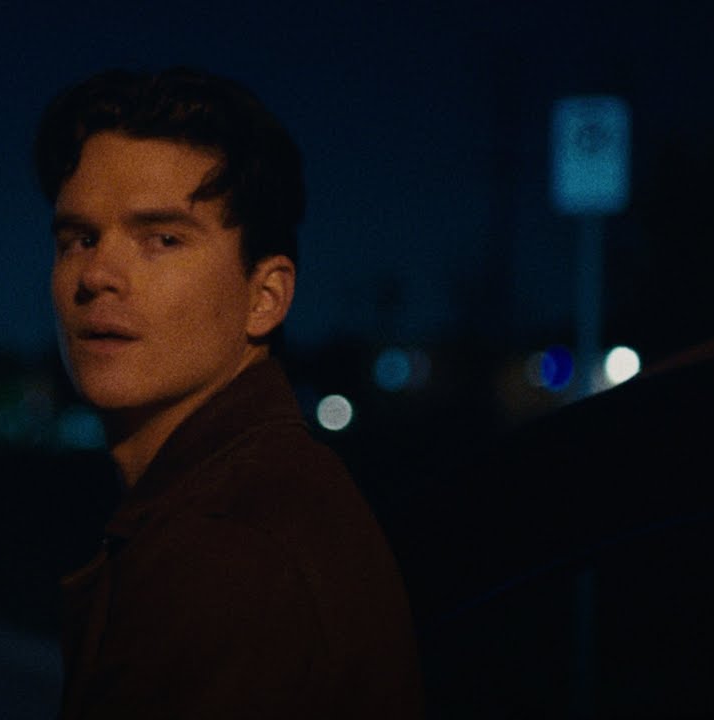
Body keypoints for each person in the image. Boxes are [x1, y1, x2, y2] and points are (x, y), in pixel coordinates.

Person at [34, 66, 423, 719]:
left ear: (265, 297)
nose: (97, 274)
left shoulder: (230, 548)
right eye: (80, 238)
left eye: (162, 239)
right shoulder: (230, 497)